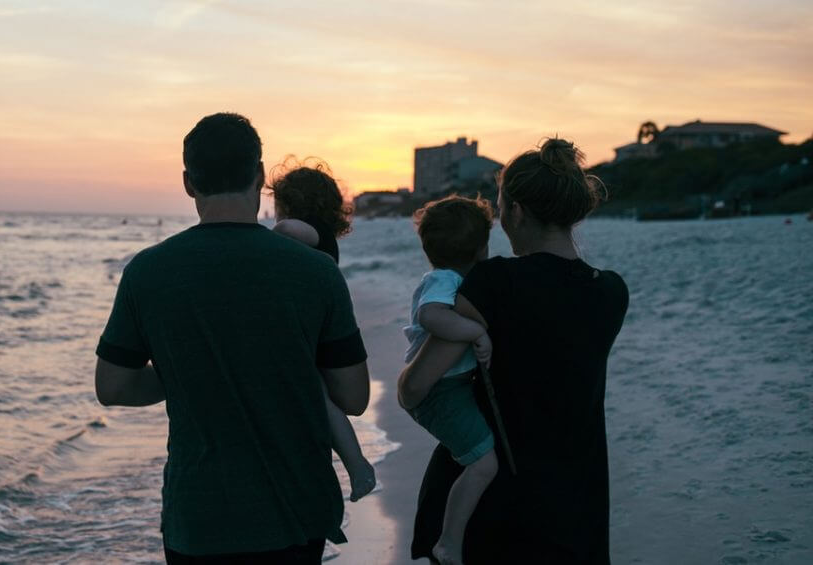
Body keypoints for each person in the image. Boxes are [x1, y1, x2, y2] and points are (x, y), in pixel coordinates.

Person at [94, 113, 370, 563]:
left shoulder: (147, 271)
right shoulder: (315, 271)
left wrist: (193, 364)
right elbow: (354, 396)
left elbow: (114, 386)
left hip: (200, 517)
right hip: (297, 510)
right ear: (259, 176)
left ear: (188, 182)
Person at [399, 138, 629, 563]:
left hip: (491, 506)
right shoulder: (610, 291)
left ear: (516, 211)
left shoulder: (494, 283)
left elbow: (413, 388)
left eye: (501, 206)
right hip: (576, 506)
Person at [268, 156, 376, 502]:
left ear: (292, 203)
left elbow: (287, 231)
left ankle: (357, 464)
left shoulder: (310, 230)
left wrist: (259, 237)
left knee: (319, 396)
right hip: (310, 329)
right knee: (322, 399)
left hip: (306, 334)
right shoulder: (323, 237)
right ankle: (356, 463)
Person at [401, 195, 498, 565]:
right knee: (484, 464)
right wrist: (475, 331)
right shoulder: (444, 280)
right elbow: (430, 316)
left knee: (475, 456)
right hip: (439, 392)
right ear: (482, 248)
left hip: (447, 387)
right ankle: (449, 542)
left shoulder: (447, 276)